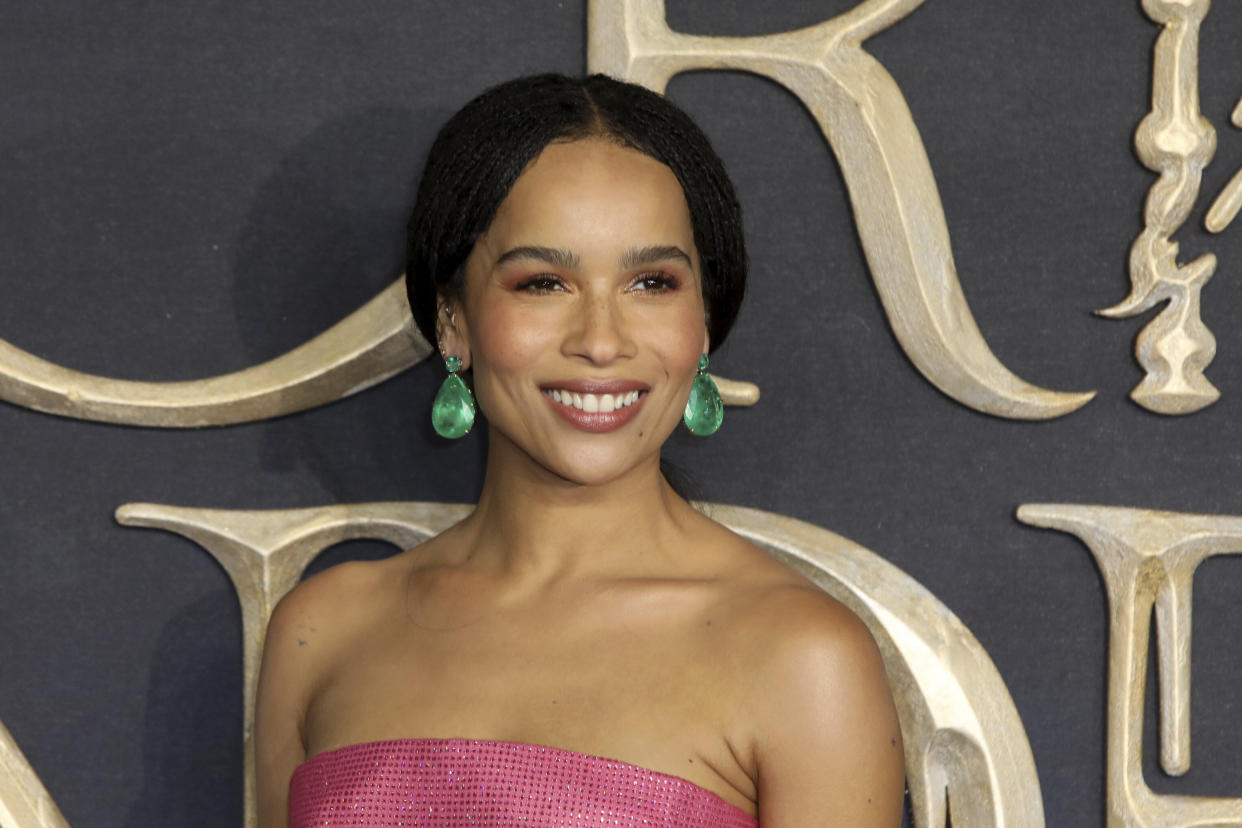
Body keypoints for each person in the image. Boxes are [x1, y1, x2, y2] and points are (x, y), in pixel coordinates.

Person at [254, 73, 904, 827]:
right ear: (453, 319)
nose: (600, 341)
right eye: (543, 283)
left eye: (652, 282)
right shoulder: (324, 631)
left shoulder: (802, 657)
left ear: (704, 321)